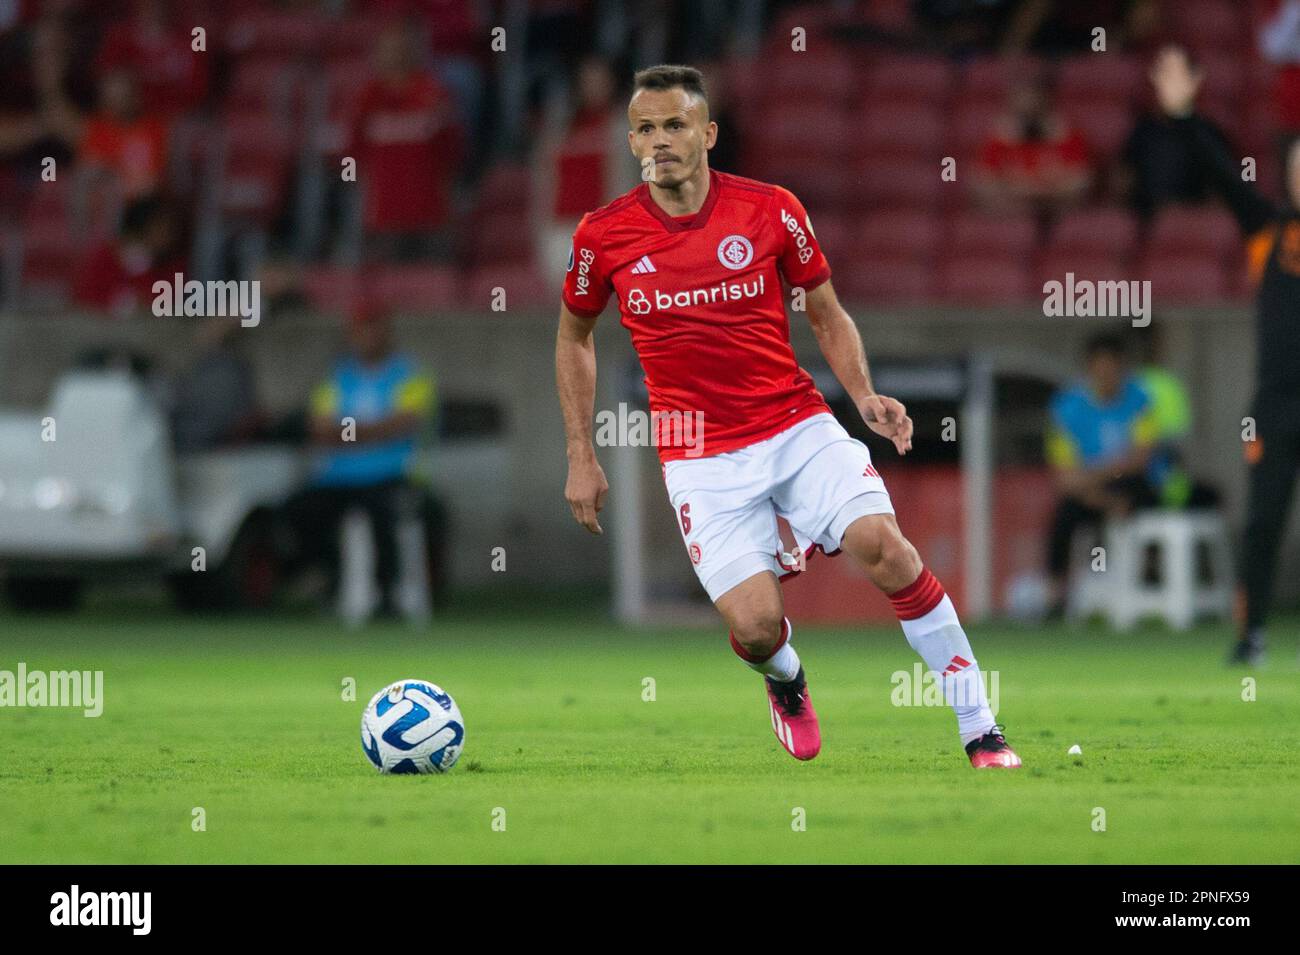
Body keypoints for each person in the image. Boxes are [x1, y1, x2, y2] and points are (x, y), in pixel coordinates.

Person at [555, 65, 1021, 769]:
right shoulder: (603, 236)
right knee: (755, 625)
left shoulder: (770, 209)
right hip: (699, 456)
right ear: (630, 141)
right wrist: (580, 454)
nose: (660, 141)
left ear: (707, 133)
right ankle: (786, 678)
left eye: (675, 125)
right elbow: (573, 337)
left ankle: (980, 727)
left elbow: (826, 312)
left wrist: (862, 394)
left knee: (885, 547)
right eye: (645, 129)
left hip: (794, 425)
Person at [1147, 46, 1300, 665]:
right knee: (1261, 524)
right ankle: (1251, 635)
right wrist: (1184, 117)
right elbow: (1219, 170)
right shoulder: (1267, 231)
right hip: (1276, 406)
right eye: (1296, 165)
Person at [283, 305, 438, 617]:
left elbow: (403, 423)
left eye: (374, 326)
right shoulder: (338, 376)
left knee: (386, 515)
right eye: (361, 328)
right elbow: (317, 427)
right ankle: (330, 576)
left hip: (391, 474)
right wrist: (372, 431)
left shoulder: (410, 374)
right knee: (295, 511)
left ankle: (388, 596)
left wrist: (345, 431)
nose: (367, 335)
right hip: (338, 478)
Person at [1043, 334, 1161, 617]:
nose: (1107, 376)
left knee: (1145, 494)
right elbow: (1064, 477)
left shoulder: (1141, 401)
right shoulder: (1066, 409)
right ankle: (1055, 596)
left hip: (1128, 483)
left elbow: (1141, 460)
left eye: (1113, 369)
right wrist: (1102, 486)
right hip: (1090, 490)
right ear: (1089, 369)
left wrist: (1098, 474)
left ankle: (1152, 582)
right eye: (1100, 368)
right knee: (1063, 515)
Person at [970, 71, 1092, 217]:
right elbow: (983, 179)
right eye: (1023, 107)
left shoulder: (1067, 135)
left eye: (1034, 105)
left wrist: (1046, 192)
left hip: (1056, 208)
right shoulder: (999, 137)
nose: (1029, 110)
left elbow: (1081, 178)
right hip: (1012, 209)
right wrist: (1016, 192)